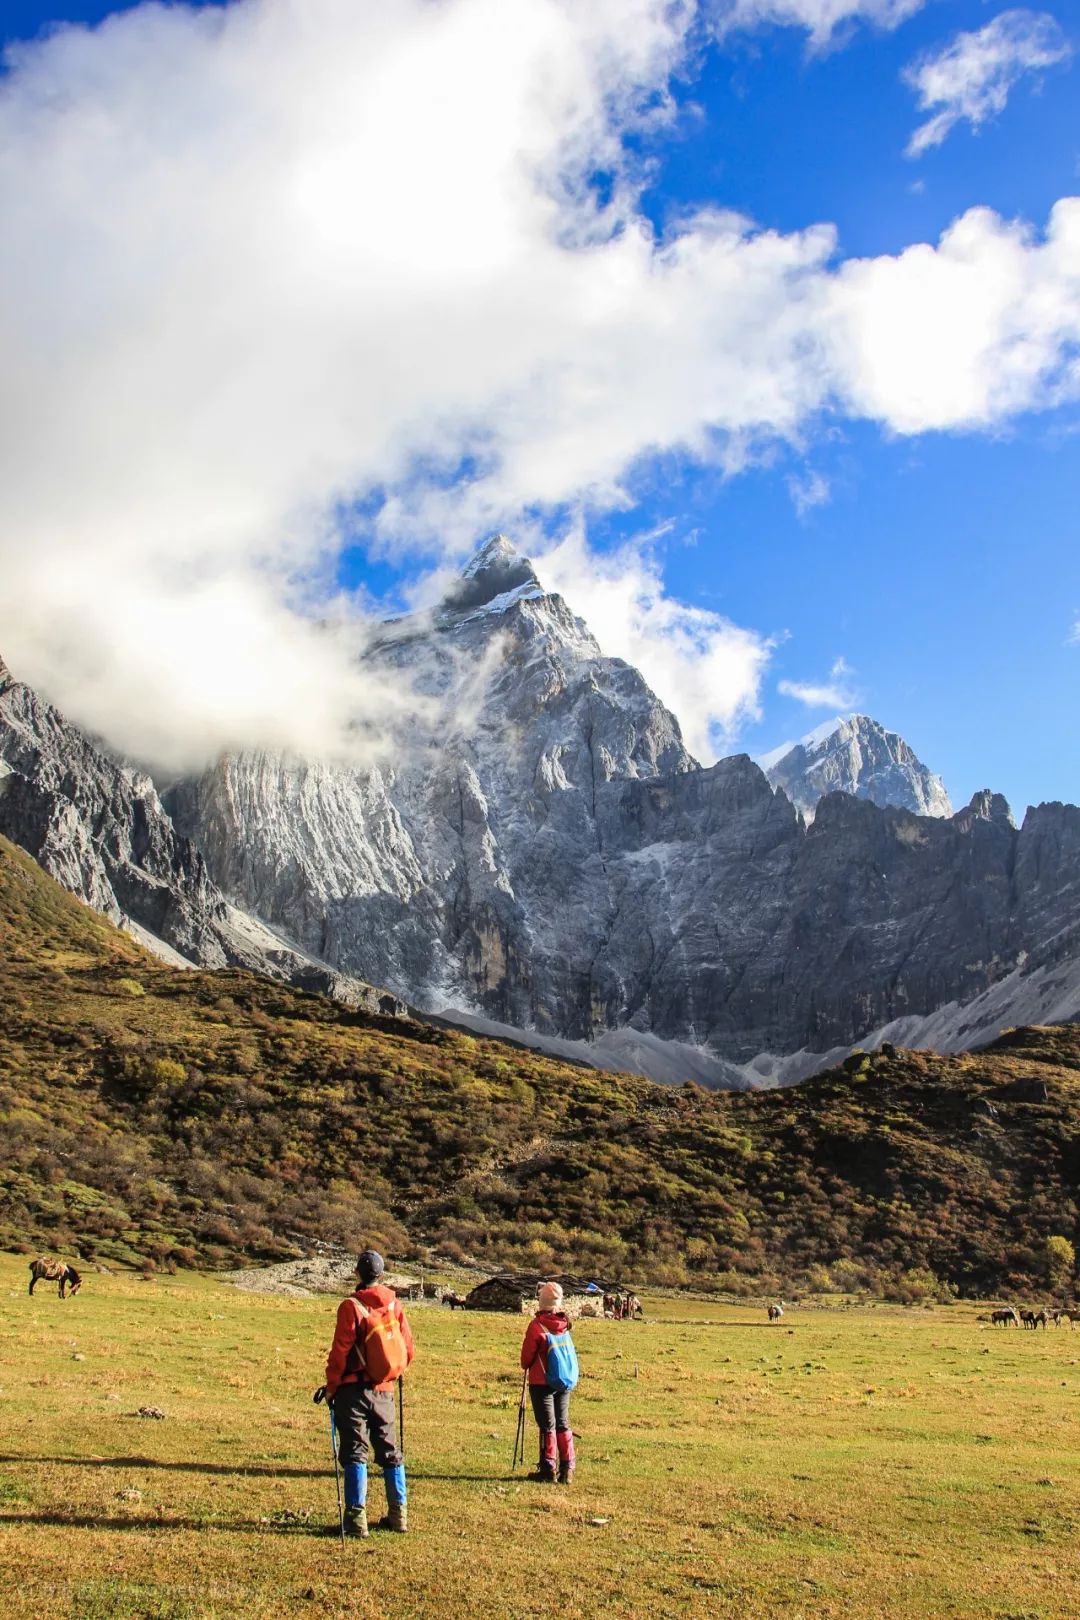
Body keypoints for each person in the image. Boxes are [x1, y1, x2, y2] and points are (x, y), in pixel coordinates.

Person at [317, 1249, 415, 1537]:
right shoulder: (394, 1304)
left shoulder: (351, 1306)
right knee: (390, 1452)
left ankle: (356, 1520)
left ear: (357, 1273)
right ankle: (399, 1517)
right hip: (384, 1389)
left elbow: (340, 1352)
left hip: (352, 1390)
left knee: (355, 1452)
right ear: (381, 1274)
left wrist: (332, 1386)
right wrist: (392, 1372)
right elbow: (408, 1348)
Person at [520, 1281, 575, 1485]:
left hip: (541, 1381)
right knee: (562, 1423)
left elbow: (525, 1360)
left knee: (547, 1425)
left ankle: (547, 1467)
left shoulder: (537, 1326)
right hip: (563, 1381)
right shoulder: (564, 1325)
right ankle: (567, 1469)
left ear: (541, 1302)